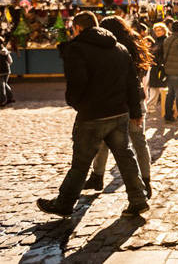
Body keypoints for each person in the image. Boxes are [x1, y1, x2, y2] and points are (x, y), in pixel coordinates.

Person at [37, 12, 148, 217]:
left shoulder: (77, 49)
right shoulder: (119, 48)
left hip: (92, 114)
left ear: (78, 28)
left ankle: (64, 203)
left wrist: (78, 104)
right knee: (126, 158)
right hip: (119, 112)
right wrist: (134, 110)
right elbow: (132, 82)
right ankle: (138, 199)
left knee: (80, 162)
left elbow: (77, 83)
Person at [84, 16, 154, 199]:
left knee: (106, 138)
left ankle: (97, 176)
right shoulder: (135, 43)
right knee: (139, 141)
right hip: (136, 97)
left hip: (118, 100)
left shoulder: (111, 49)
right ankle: (146, 181)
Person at [146, 23, 169, 112]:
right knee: (153, 88)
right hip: (154, 67)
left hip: (161, 67)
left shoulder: (165, 41)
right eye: (156, 30)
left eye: (159, 30)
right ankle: (151, 107)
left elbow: (165, 54)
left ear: (164, 30)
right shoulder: (156, 41)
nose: (157, 32)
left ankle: (166, 108)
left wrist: (161, 63)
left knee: (163, 88)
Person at [0, 37, 14, 106]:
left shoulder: (3, 50)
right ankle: (10, 98)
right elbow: (10, 61)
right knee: (4, 84)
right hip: (7, 70)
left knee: (1, 86)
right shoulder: (4, 50)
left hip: (1, 71)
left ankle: (2, 101)